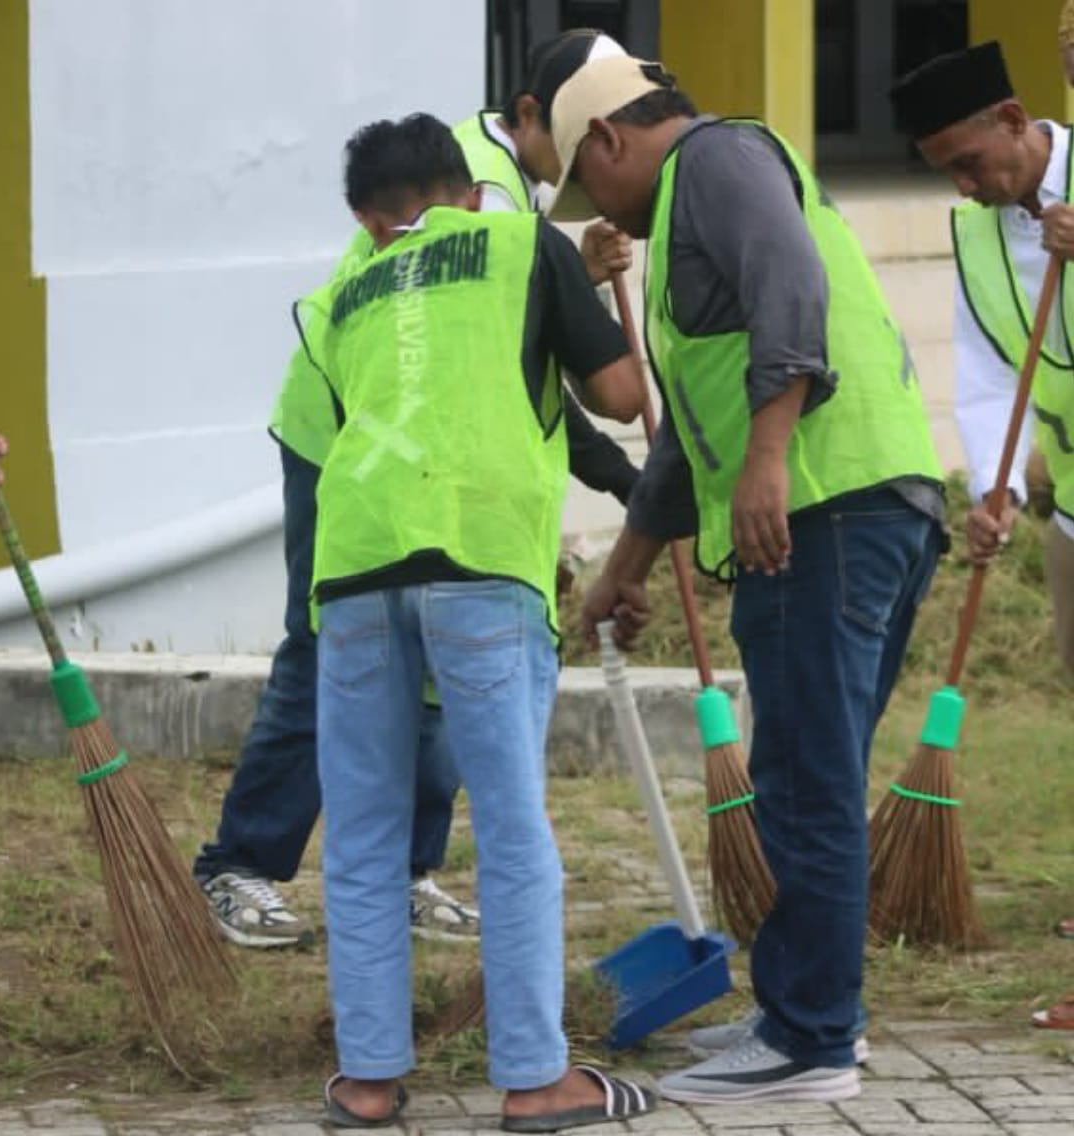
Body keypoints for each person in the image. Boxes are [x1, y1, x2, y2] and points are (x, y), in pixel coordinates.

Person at [546, 54, 946, 1103]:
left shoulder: (717, 161)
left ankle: (809, 1040)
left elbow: (791, 287)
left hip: (823, 510)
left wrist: (769, 456)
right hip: (864, 505)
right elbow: (687, 440)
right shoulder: (699, 197)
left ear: (608, 138)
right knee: (814, 774)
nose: (603, 213)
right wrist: (623, 570)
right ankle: (804, 1012)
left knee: (805, 784)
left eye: (593, 185)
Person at [192, 28, 642, 948]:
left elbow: (510, 376)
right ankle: (240, 862)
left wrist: (580, 286)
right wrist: (631, 476)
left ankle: (405, 871)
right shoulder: (478, 193)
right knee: (325, 642)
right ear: (531, 115)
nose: (594, 156)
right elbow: (531, 378)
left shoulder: (510, 194)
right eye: (580, 133)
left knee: (444, 655)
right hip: (346, 438)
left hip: (435, 452)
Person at [311, 112, 654, 1131]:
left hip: (355, 568)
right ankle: (536, 1077)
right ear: (468, 192)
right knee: (509, 826)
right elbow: (619, 394)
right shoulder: (520, 244)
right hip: (480, 560)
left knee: (363, 832)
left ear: (370, 220)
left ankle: (367, 1080)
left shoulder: (345, 294)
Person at [890, 38, 1074, 1031]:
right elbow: (989, 367)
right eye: (945, 173)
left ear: (1012, 119)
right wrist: (994, 484)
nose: (964, 187)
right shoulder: (976, 232)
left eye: (969, 162)